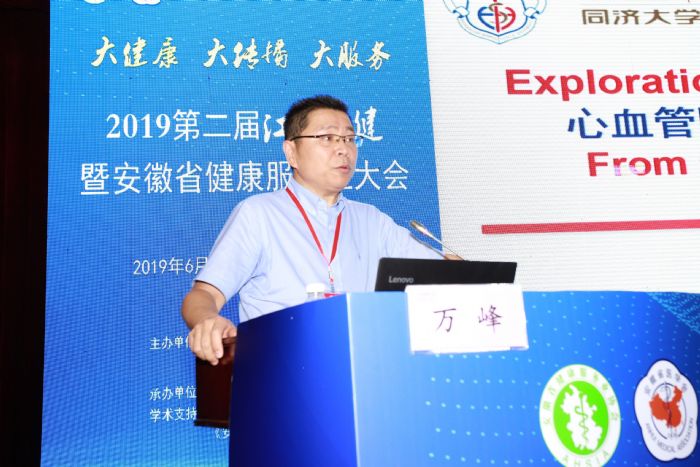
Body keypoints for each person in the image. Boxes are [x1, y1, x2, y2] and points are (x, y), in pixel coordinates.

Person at [182, 95, 446, 365]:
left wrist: (462, 272)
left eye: (349, 139)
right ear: (291, 152)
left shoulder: (372, 220)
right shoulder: (259, 214)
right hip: (283, 372)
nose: (343, 149)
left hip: (366, 372)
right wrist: (207, 320)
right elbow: (204, 294)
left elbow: (442, 274)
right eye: (327, 138)